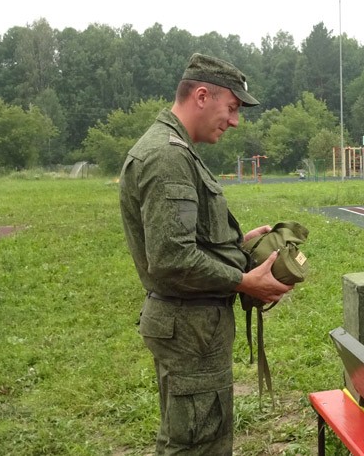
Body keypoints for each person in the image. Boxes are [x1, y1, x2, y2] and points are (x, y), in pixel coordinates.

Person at [119, 53, 294, 454]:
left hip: (192, 326)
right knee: (197, 444)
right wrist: (244, 280)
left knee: (191, 436)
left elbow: (185, 240)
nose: (234, 121)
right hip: (190, 329)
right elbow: (172, 258)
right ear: (201, 95)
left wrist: (233, 246)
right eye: (231, 108)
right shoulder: (167, 158)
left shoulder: (176, 150)